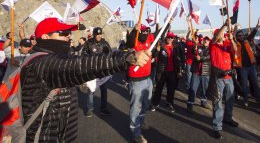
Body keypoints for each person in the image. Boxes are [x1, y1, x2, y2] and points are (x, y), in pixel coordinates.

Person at [13, 17, 149, 142]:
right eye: (63, 33)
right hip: (44, 137)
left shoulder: (49, 58)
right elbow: (79, 65)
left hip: (59, 134)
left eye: (69, 32)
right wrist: (126, 58)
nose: (68, 35)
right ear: (45, 36)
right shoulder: (42, 62)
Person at [207, 19, 238, 140]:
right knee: (218, 103)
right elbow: (216, 37)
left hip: (229, 77)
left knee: (230, 100)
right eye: (219, 34)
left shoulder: (227, 45)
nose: (221, 36)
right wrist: (225, 25)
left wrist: (231, 39)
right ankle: (216, 127)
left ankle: (228, 118)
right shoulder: (213, 45)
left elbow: (235, 49)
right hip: (218, 78)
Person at [126, 23, 155, 143]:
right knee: (136, 107)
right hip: (136, 80)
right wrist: (134, 31)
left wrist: (168, 22)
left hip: (148, 78)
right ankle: (135, 132)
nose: (144, 33)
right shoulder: (134, 39)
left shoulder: (149, 38)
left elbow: (159, 33)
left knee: (146, 104)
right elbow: (129, 43)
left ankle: (141, 123)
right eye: (142, 31)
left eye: (146, 31)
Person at [81, 27, 113, 116]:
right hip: (92, 71)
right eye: (97, 34)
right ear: (94, 35)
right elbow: (83, 55)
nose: (99, 36)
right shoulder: (88, 43)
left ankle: (104, 108)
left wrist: (108, 54)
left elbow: (110, 54)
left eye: (100, 34)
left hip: (103, 71)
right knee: (91, 90)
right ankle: (89, 108)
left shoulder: (105, 43)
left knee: (104, 90)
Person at [151, 30, 183, 113]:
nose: (169, 38)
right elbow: (154, 56)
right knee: (159, 89)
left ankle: (169, 104)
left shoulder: (175, 48)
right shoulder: (161, 46)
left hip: (172, 72)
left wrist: (179, 70)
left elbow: (178, 60)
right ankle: (155, 103)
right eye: (168, 37)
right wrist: (157, 51)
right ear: (166, 37)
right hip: (161, 71)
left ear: (173, 39)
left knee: (171, 90)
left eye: (171, 37)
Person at [234, 21, 260, 109]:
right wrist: (234, 29)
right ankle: (245, 100)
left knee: (255, 83)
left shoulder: (247, 41)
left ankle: (258, 98)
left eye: (242, 35)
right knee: (245, 85)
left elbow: (253, 34)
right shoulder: (235, 44)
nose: (241, 36)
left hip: (251, 66)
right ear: (237, 37)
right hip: (242, 68)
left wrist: (257, 26)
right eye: (239, 36)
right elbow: (232, 37)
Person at [187, 36, 211, 112]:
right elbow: (193, 53)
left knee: (205, 89)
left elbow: (209, 57)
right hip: (196, 71)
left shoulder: (211, 49)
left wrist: (201, 58)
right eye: (205, 40)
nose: (206, 41)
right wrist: (194, 50)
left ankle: (204, 101)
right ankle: (190, 104)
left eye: (207, 40)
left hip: (205, 72)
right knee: (192, 88)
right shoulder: (198, 47)